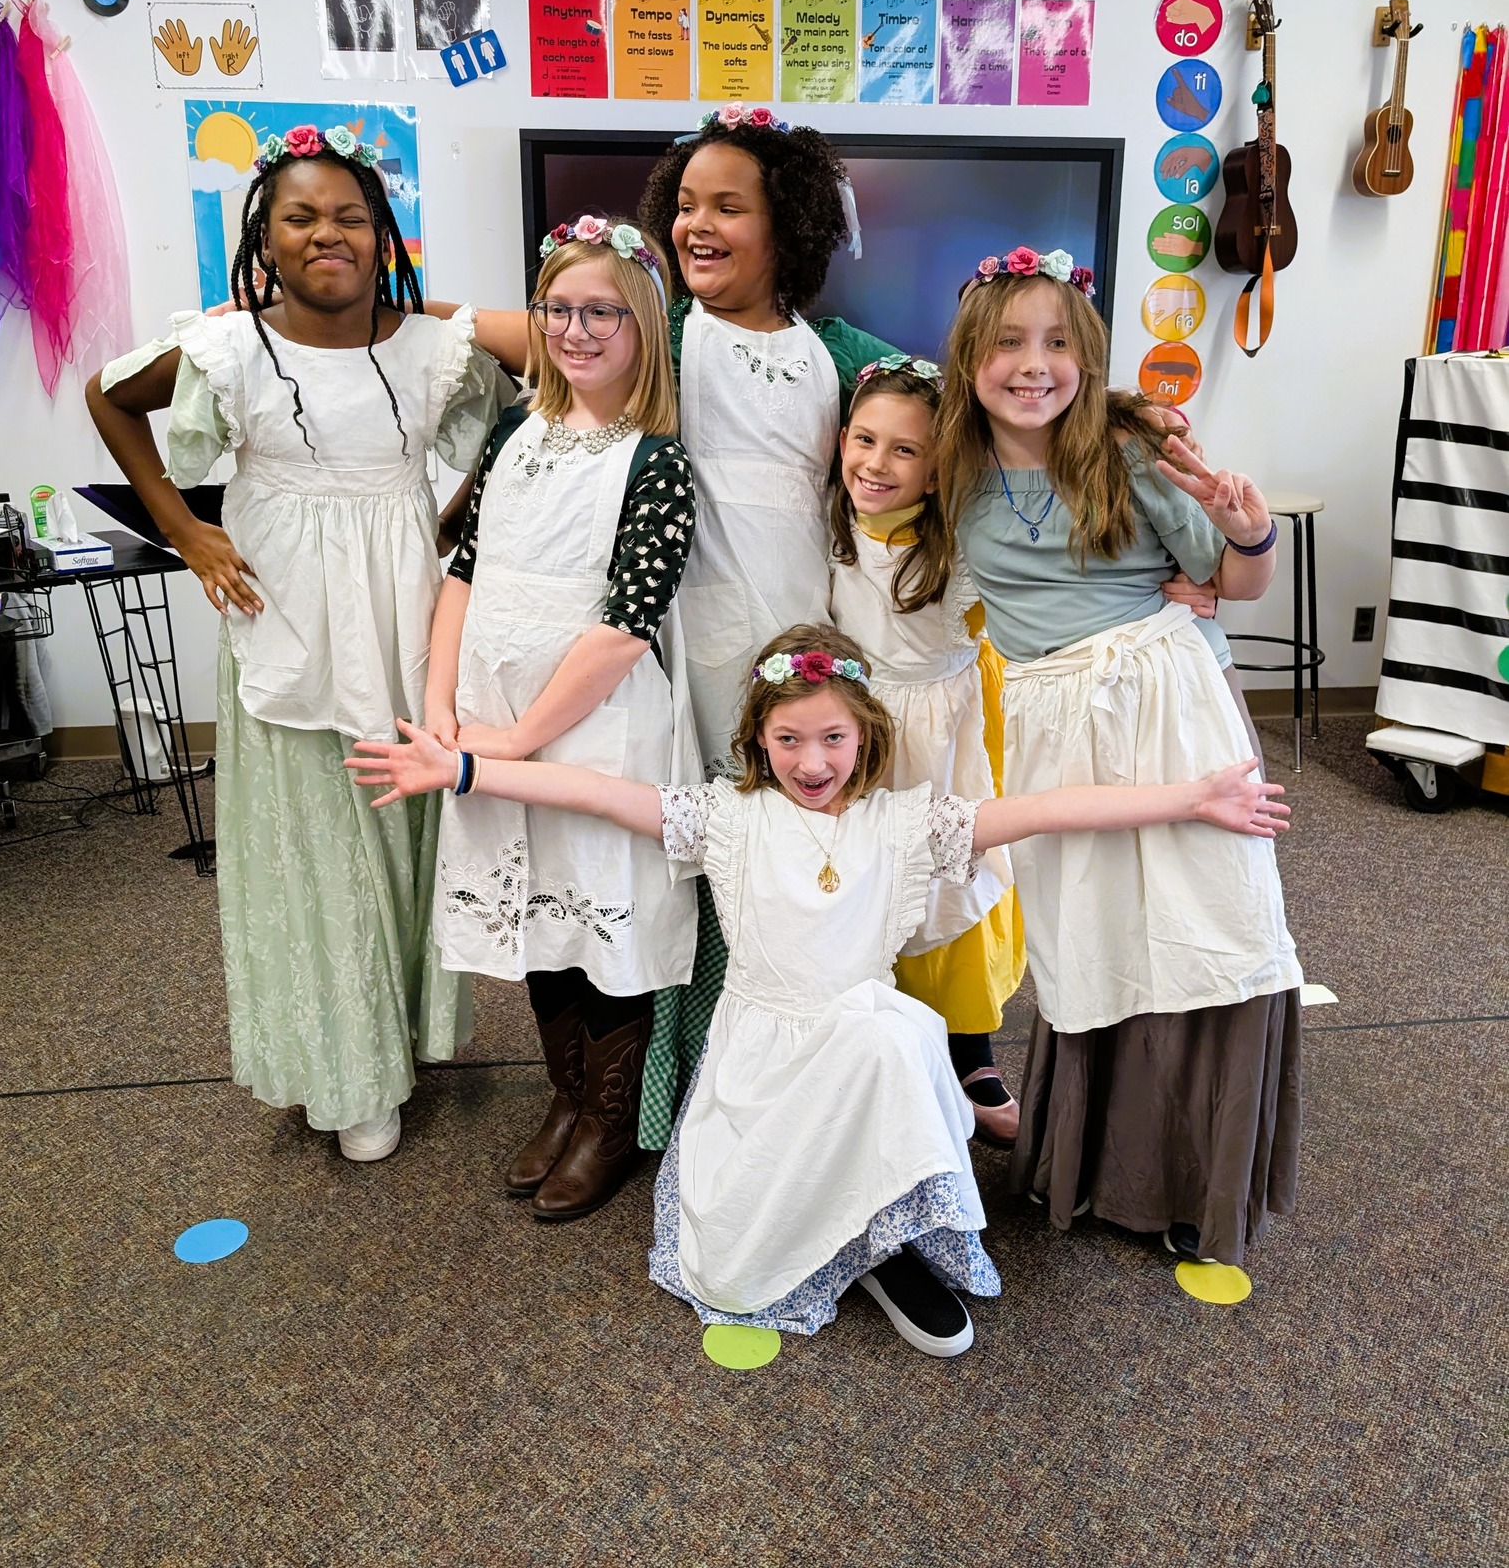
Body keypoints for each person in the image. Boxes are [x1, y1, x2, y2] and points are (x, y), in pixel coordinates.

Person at [347, 623, 1290, 1356]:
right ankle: (862, 1239)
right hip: (764, 1063)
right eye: (789, 738)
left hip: (863, 1049)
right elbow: (595, 792)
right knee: (776, 1206)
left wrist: (1189, 799)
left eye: (831, 737)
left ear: (864, 735)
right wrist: (462, 768)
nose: (811, 761)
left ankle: (888, 1240)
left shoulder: (906, 823)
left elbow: (1046, 811)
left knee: (897, 1033)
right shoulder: (724, 818)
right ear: (759, 739)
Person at [466, 107, 904, 1148]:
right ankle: (668, 1100)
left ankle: (797, 1082)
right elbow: (548, 330)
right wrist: (418, 316)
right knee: (692, 869)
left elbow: (950, 411)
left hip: (806, 645)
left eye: (730, 206)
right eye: (689, 205)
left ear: (789, 224)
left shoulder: (831, 353)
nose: (700, 223)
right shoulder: (661, 336)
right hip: (693, 650)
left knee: (795, 864)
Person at [85, 123, 511, 1162]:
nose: (330, 232)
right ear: (262, 239)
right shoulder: (227, 346)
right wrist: (183, 528)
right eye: (302, 217)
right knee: (317, 853)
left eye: (352, 216)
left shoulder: (431, 349)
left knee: (402, 839)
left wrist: (457, 513)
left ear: (384, 235)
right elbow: (108, 392)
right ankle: (345, 1066)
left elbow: (540, 378)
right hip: (285, 628)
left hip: (403, 625)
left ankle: (404, 1037)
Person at [939, 247, 1304, 1266]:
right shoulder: (951, 460)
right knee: (1090, 929)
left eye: (1058, 341)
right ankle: (1094, 1166)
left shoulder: (1133, 447)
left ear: (1089, 352)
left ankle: (1196, 1182)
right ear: (968, 354)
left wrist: (1253, 535)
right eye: (1008, 340)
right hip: (1056, 722)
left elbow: (1232, 580)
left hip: (1171, 699)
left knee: (1203, 916)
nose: (1033, 363)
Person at [429, 215, 698, 1220]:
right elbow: (464, 572)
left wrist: (518, 736)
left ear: (644, 328)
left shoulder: (657, 459)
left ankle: (611, 1121)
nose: (577, 330)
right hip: (489, 721)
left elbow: (625, 626)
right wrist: (443, 709)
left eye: (603, 313)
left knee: (598, 918)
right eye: (559, 308)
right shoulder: (514, 430)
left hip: (591, 730)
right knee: (535, 910)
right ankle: (565, 1094)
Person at [826, 355, 1025, 1145]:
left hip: (944, 737)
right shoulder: (830, 521)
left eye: (905, 451)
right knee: (870, 889)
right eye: (865, 440)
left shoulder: (964, 541)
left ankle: (969, 1051)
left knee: (954, 885)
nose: (876, 464)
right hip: (858, 736)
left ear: (942, 471)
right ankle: (880, 1043)